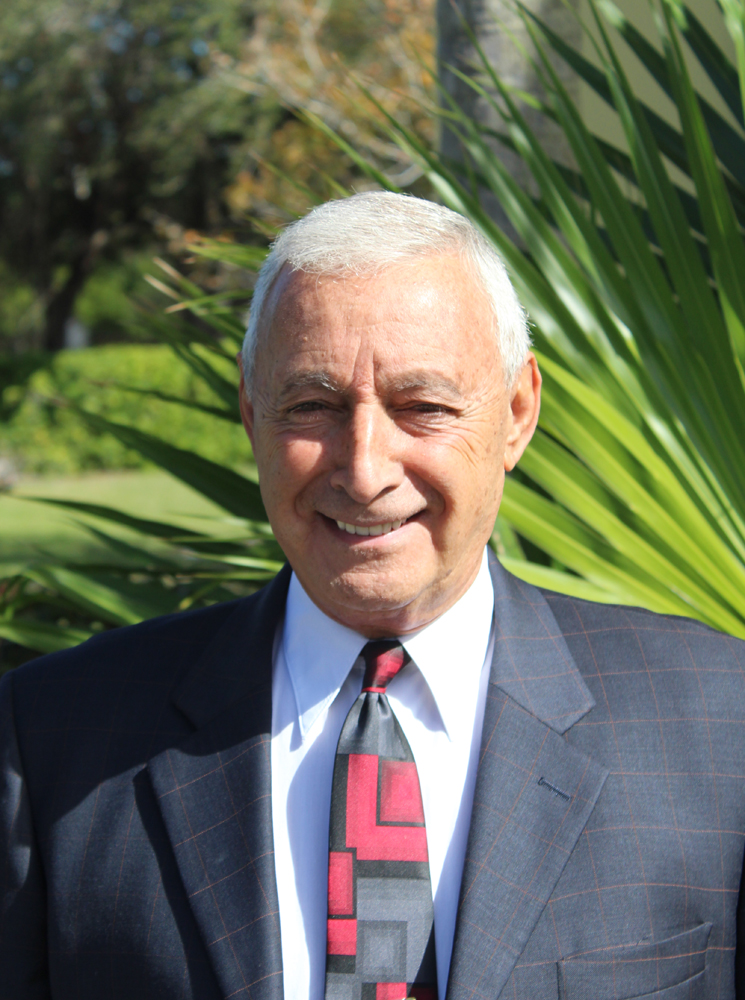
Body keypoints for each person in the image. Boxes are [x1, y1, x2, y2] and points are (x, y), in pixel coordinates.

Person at [1, 192, 744, 1000]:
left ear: (517, 414)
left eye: (422, 407)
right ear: (251, 414)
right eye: (311, 405)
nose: (363, 469)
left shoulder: (716, 725)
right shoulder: (54, 738)